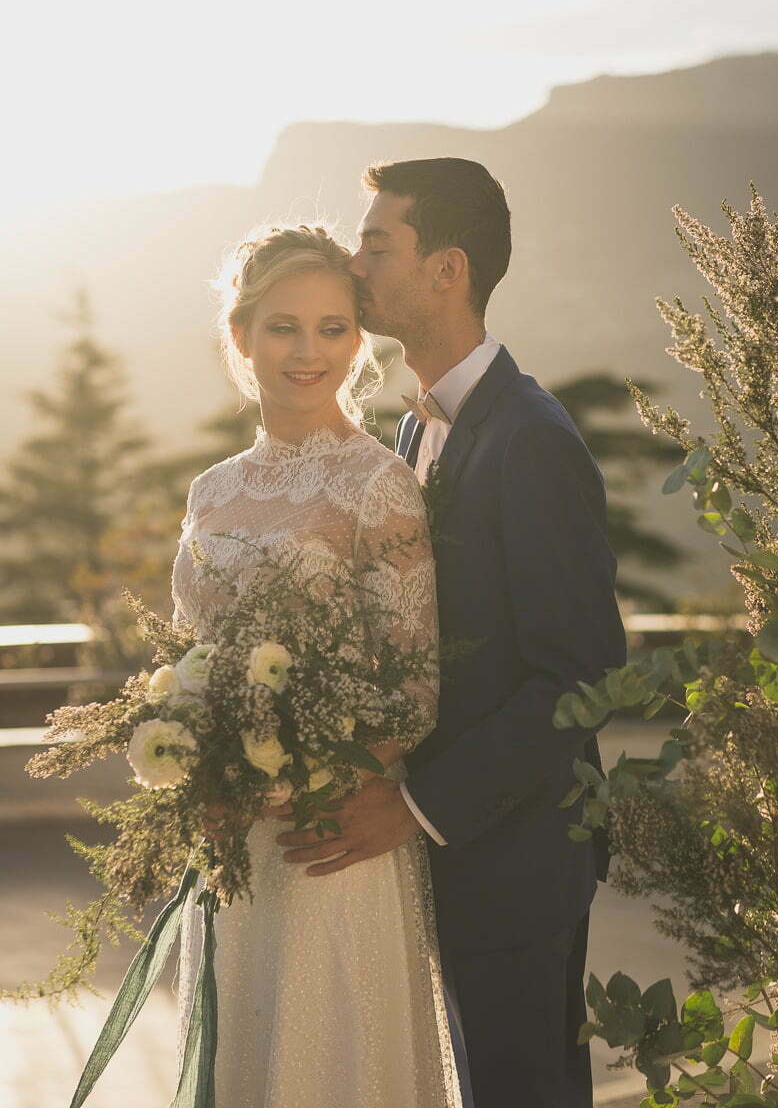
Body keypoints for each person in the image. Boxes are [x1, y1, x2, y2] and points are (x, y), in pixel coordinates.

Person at [276, 158, 627, 1106]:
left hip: (513, 863)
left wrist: (416, 806)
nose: (356, 263)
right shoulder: (415, 434)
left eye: (377, 244)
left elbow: (581, 673)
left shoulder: (531, 438)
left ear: (448, 269)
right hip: (439, 864)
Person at [171, 224, 463, 1107]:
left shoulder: (377, 483)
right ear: (240, 337)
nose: (311, 353)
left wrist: (303, 780)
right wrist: (202, 769)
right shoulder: (212, 491)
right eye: (284, 328)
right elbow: (191, 661)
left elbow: (413, 691)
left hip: (334, 842)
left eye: (334, 328)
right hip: (232, 844)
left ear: (358, 340)